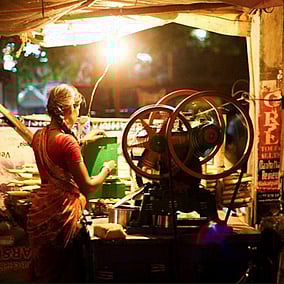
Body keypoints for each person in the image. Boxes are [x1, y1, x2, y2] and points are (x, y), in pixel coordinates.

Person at [26, 84, 116, 282]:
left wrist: (83, 141)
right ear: (69, 109)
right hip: (64, 216)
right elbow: (89, 186)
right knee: (67, 274)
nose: (77, 114)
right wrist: (107, 168)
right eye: (77, 108)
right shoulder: (67, 142)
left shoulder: (39, 136)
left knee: (47, 274)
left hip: (42, 213)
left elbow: (58, 152)